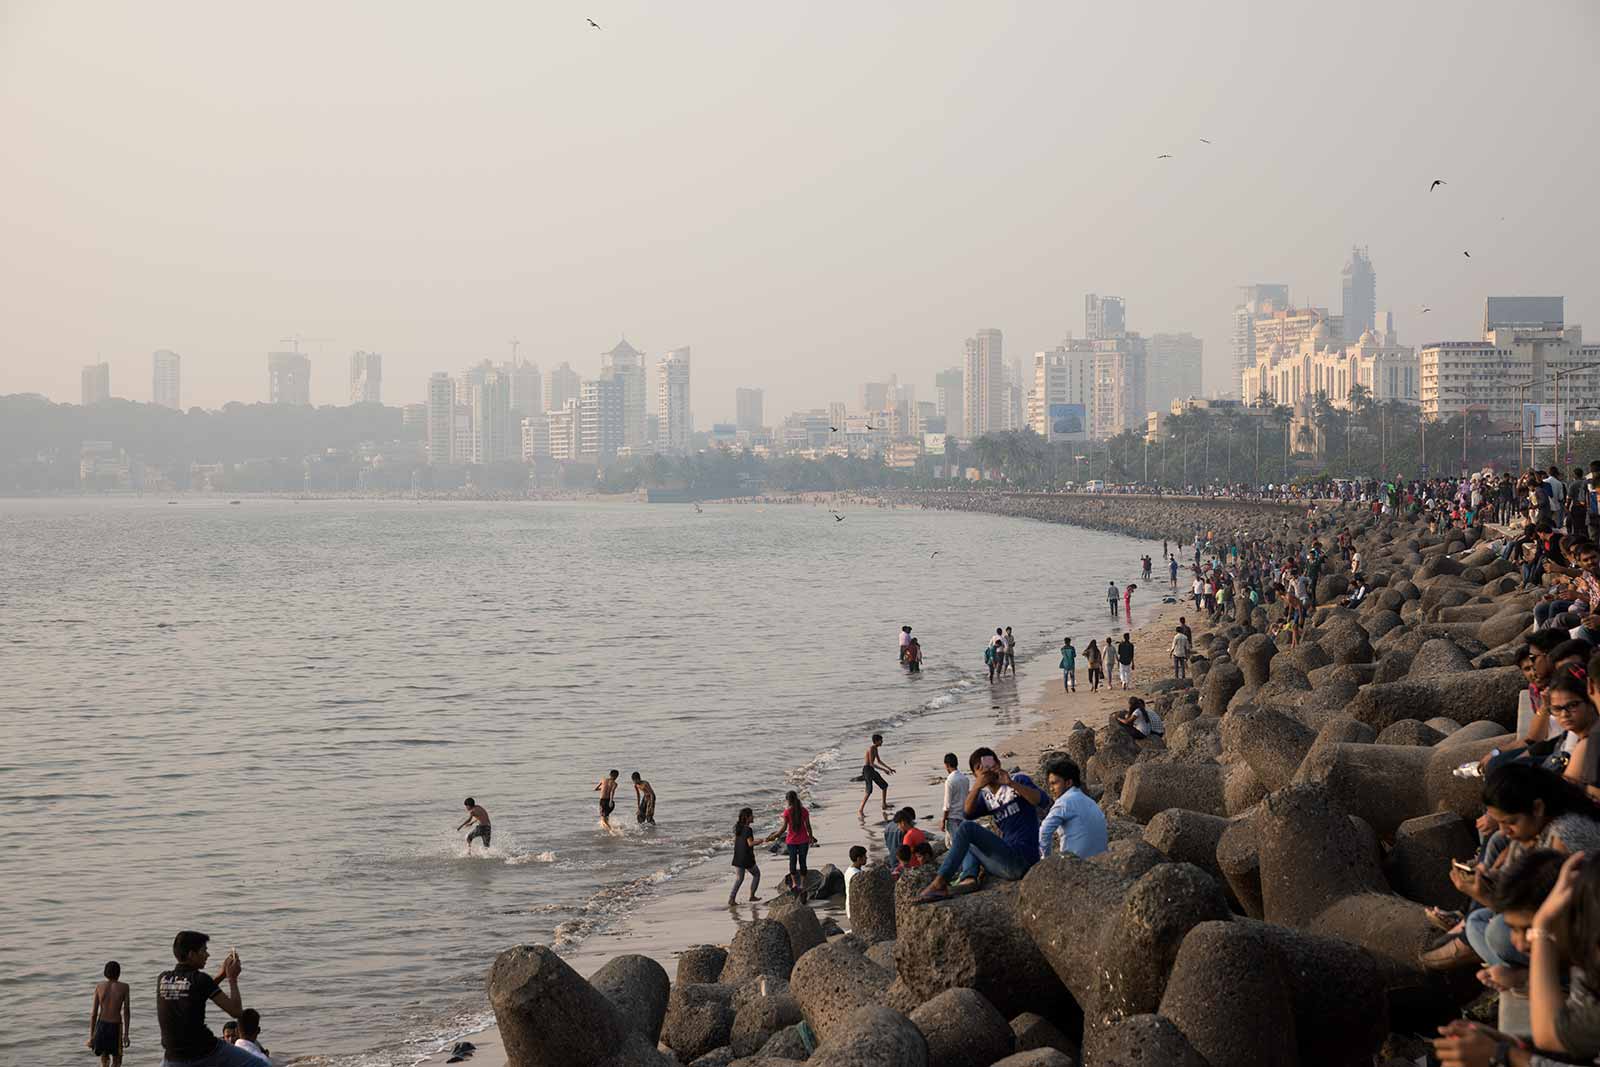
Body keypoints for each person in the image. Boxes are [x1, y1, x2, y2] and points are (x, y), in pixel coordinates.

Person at [913, 747, 1045, 904]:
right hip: (1004, 863)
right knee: (964, 832)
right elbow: (966, 813)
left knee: (967, 829)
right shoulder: (987, 797)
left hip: (1023, 860)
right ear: (975, 774)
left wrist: (1010, 783)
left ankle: (939, 883)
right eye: (979, 767)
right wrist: (977, 786)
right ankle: (969, 878)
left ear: (998, 763)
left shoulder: (1019, 781)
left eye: (990, 763)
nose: (987, 769)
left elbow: (1041, 800)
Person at [156, 930, 258, 1067]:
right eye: (204, 950)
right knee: (258, 1064)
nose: (207, 955)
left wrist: (222, 975)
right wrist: (232, 978)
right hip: (205, 1051)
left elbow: (194, 992)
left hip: (172, 1056)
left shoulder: (163, 979)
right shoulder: (201, 979)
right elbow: (236, 1012)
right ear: (192, 955)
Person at [1037, 758, 1108, 860]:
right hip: (1100, 861)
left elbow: (1044, 831)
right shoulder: (1090, 801)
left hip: (1076, 864)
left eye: (1054, 783)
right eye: (1050, 784)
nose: (1051, 789)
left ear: (1068, 783)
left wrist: (1046, 859)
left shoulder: (1064, 802)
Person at [765, 791, 816, 899]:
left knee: (792, 862)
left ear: (788, 800)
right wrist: (811, 838)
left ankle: (794, 884)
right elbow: (808, 826)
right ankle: (802, 884)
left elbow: (783, 828)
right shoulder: (804, 811)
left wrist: (774, 836)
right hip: (803, 840)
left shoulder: (787, 812)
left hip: (791, 841)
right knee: (803, 861)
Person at [88, 961, 130, 1067]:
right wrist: (126, 1035)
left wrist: (91, 1037)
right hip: (116, 1026)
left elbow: (94, 1014)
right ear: (119, 973)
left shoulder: (99, 986)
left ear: (105, 973)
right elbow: (126, 1012)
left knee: (105, 1060)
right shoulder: (124, 987)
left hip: (101, 1025)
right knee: (117, 1061)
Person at [857, 733, 896, 817]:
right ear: (877, 741)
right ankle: (861, 809)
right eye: (881, 740)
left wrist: (889, 768)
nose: (882, 742)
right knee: (869, 791)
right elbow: (871, 764)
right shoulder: (871, 748)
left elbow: (878, 761)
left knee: (884, 786)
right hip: (867, 770)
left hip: (871, 770)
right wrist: (884, 770)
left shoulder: (875, 748)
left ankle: (884, 804)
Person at [729, 807, 761, 904]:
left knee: (739, 879)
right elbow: (750, 843)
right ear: (747, 818)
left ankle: (731, 898)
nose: (753, 817)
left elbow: (737, 841)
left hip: (738, 856)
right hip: (747, 857)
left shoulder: (737, 827)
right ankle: (752, 896)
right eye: (751, 815)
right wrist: (760, 841)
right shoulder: (748, 829)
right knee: (757, 874)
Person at [940, 753, 970, 843]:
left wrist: (943, 820)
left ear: (947, 765)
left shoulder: (949, 781)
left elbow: (947, 805)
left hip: (953, 817)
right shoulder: (965, 778)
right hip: (963, 815)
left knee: (954, 844)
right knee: (956, 842)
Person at [843, 845, 867, 912]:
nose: (866, 858)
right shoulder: (856, 874)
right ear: (858, 858)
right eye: (864, 856)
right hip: (855, 908)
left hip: (850, 906)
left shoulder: (849, 870)